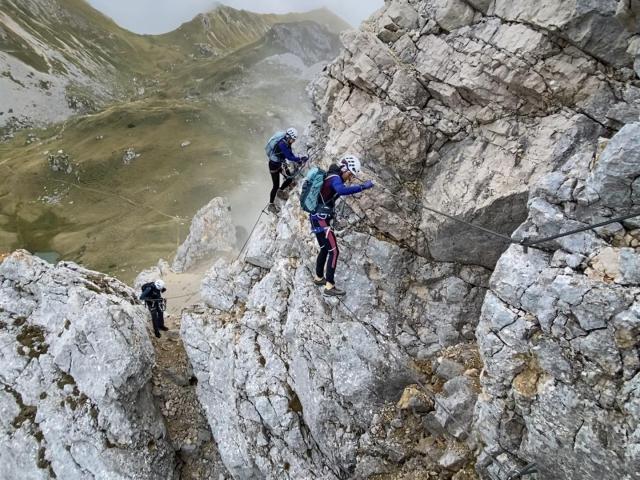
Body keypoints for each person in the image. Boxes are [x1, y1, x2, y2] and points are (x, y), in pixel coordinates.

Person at [310, 155, 374, 297]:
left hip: (315, 217)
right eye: (350, 174)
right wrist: (363, 186)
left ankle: (319, 278)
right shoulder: (335, 178)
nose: (350, 178)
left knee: (324, 248)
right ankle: (329, 286)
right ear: (345, 169)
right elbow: (341, 191)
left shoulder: (330, 176)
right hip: (321, 219)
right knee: (334, 251)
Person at [267, 127, 307, 213]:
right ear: (289, 137)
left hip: (280, 163)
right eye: (293, 139)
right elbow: (289, 156)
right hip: (273, 166)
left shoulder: (287, 142)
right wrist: (300, 159)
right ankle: (271, 204)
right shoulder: (282, 144)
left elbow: (290, 153)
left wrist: (299, 159)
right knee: (275, 186)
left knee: (289, 178)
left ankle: (280, 190)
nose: (294, 141)